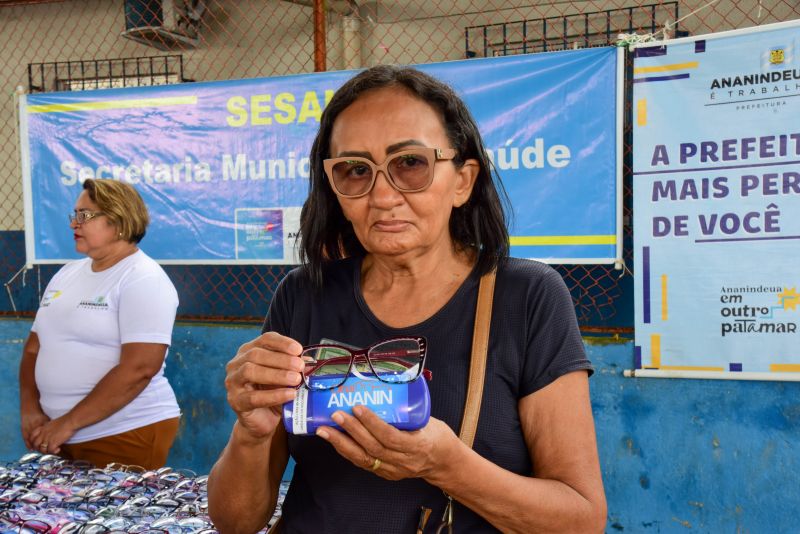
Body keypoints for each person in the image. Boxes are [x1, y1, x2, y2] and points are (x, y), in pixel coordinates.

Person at [208, 65, 606, 533]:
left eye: (410, 164)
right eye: (355, 171)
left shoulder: (528, 297)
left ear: (463, 180)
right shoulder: (303, 294)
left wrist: (447, 465)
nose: (382, 195)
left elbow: (581, 519)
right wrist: (251, 434)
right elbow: (235, 522)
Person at [19, 178, 181, 470]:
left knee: (115, 515)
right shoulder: (66, 274)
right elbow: (33, 350)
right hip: (57, 433)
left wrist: (67, 423)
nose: (73, 224)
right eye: (74, 215)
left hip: (124, 433)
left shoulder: (143, 278)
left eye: (84, 215)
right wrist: (30, 411)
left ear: (118, 220)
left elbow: (140, 368)